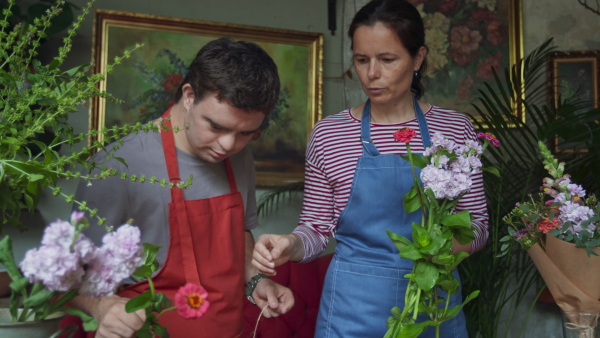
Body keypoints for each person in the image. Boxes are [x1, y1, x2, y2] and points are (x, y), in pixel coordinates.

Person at [252, 0, 489, 337]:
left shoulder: (453, 131)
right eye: (362, 60)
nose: (371, 74)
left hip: (432, 301)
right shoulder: (330, 134)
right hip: (350, 307)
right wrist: (291, 243)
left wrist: (437, 250)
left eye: (387, 60)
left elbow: (478, 225)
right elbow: (317, 229)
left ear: (418, 58)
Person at [66, 37, 294, 338]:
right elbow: (69, 274)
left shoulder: (240, 157)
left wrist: (256, 280)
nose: (229, 144)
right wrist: (102, 307)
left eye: (246, 133)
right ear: (189, 95)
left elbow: (239, 233)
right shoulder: (117, 164)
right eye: (216, 126)